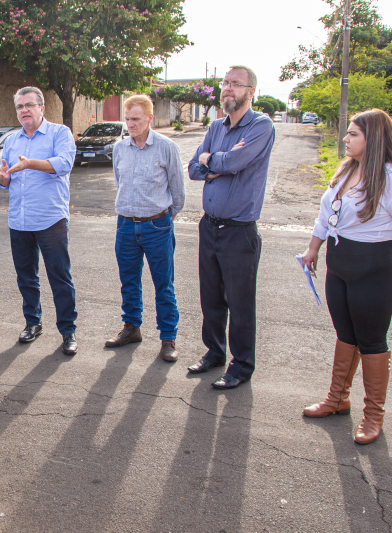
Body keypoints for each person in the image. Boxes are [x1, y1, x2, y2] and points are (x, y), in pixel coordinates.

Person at [301, 108, 392, 444]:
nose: (345, 139)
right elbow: (325, 214)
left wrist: (384, 243)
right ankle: (337, 399)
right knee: (345, 332)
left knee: (371, 339)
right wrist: (314, 248)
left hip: (378, 266)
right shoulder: (348, 169)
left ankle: (374, 415)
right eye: (347, 133)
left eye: (353, 134)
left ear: (373, 138)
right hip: (340, 260)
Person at [186, 65, 275, 389]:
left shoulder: (261, 126)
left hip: (239, 231)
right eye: (225, 83)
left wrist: (214, 160)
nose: (227, 88)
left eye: (235, 84)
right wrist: (213, 162)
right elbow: (194, 168)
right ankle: (214, 352)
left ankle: (241, 365)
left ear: (251, 91)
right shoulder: (216, 126)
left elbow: (236, 163)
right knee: (210, 297)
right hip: (209, 227)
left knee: (240, 302)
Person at [0, 86, 78, 355]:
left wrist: (30, 163)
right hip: (19, 220)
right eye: (20, 107)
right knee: (26, 277)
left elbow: (64, 163)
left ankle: (68, 330)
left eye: (29, 105)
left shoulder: (59, 133)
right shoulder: (11, 140)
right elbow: (4, 178)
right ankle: (33, 322)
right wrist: (4, 177)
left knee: (59, 277)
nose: (24, 111)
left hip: (50, 219)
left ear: (42, 108)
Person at [105, 94, 185, 362]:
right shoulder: (120, 148)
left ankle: (168, 338)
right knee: (128, 281)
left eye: (136, 119)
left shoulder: (166, 147)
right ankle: (131, 328)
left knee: (163, 284)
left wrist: (164, 217)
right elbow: (121, 182)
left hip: (157, 225)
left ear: (150, 118)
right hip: (126, 225)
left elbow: (178, 192)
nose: (131, 124)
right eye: (127, 119)